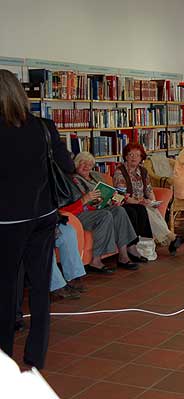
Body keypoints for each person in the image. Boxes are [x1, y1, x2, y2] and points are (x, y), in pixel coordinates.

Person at [0, 69, 74, 369]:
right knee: (40, 287)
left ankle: (4, 357)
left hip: (7, 222)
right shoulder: (44, 127)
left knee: (6, 290)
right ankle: (35, 355)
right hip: (43, 216)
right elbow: (67, 165)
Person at [68, 152, 141, 271]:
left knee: (119, 210)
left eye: (89, 164)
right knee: (105, 215)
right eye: (82, 163)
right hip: (82, 213)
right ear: (76, 165)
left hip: (100, 207)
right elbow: (74, 204)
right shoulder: (72, 181)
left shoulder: (96, 176)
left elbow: (109, 193)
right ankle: (96, 261)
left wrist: (116, 199)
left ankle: (123, 255)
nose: (86, 166)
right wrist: (86, 199)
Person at [113, 144, 184, 254]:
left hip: (141, 202)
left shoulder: (143, 171)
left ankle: (171, 240)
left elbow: (148, 189)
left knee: (152, 209)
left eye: (137, 155)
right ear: (126, 157)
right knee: (146, 210)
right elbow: (121, 196)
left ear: (141, 157)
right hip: (127, 204)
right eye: (130, 155)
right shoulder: (120, 172)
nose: (134, 157)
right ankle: (172, 237)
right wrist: (140, 202)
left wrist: (153, 201)